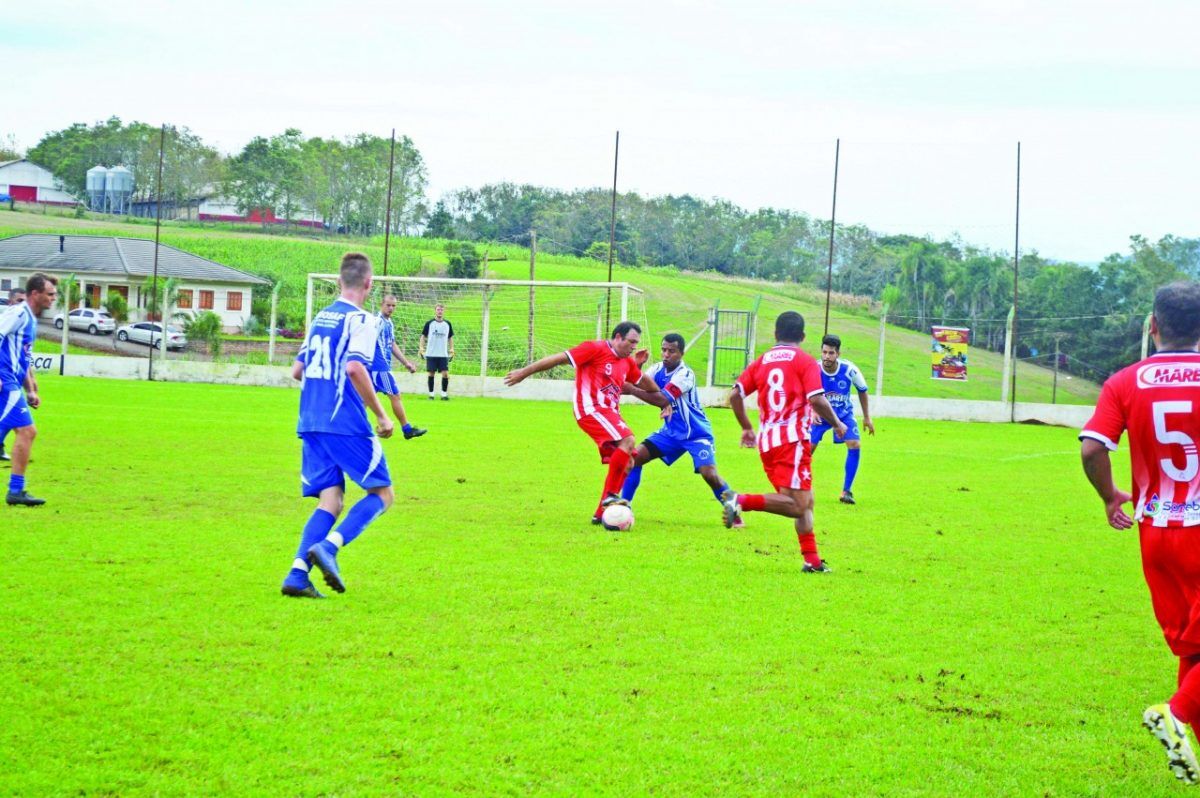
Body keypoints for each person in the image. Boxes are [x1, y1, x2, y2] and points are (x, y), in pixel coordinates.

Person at [1080, 281, 1200, 785]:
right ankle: (1175, 713)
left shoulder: (1126, 381)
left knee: (1193, 652)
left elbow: (1091, 448)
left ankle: (1184, 738)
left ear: (1153, 326)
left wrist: (1111, 497)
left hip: (1155, 533)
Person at [281, 252, 395, 599]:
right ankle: (330, 547)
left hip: (310, 419)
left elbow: (297, 371)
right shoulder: (362, 320)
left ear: (337, 282)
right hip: (341, 421)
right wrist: (381, 414)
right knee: (383, 494)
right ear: (369, 284)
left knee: (330, 499)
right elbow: (354, 368)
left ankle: (298, 575)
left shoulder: (320, 317)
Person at [504, 321, 672, 523]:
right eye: (631, 342)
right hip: (590, 409)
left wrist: (663, 401)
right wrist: (524, 372)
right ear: (618, 337)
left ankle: (602, 515)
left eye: (636, 343)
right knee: (628, 440)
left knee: (628, 462)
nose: (634, 347)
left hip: (610, 413)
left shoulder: (627, 362)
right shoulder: (594, 349)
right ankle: (611, 496)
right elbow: (559, 359)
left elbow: (644, 382)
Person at [721, 311, 847, 572]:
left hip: (768, 443)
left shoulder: (762, 360)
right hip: (792, 441)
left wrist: (746, 428)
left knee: (806, 502)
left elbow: (734, 396)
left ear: (776, 334)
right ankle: (740, 500)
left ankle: (812, 561)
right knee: (798, 505)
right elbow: (817, 399)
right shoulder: (804, 361)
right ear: (802, 336)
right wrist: (837, 423)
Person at [619, 333, 744, 527]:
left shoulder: (685, 375)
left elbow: (660, 398)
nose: (666, 354)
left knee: (709, 474)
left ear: (681, 353)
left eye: (672, 351)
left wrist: (640, 392)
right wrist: (637, 367)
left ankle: (734, 511)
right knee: (633, 459)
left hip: (696, 433)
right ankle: (624, 506)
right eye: (663, 349)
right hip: (670, 433)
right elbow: (631, 383)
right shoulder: (657, 369)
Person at [0, 275, 57, 506]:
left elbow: (21, 357)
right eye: (50, 293)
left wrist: (31, 388)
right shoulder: (19, 313)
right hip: (5, 381)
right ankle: (15, 490)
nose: (53, 298)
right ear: (35, 293)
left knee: (23, 431)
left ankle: (16, 490)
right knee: (27, 431)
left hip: (12, 381)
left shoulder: (30, 319)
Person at [809, 334, 875, 504]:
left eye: (831, 353)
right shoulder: (814, 369)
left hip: (844, 414)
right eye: (824, 352)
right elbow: (804, 391)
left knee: (855, 444)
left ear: (838, 353)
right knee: (807, 450)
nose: (826, 357)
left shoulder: (849, 370)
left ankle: (846, 491)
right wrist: (812, 410)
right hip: (821, 415)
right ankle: (798, 488)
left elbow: (862, 390)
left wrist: (867, 417)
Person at [373, 294, 427, 440]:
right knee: (395, 396)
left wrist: (406, 363)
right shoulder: (377, 322)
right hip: (379, 368)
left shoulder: (389, 323)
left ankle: (344, 428)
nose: (391, 308)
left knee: (362, 401)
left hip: (378, 368)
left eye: (393, 306)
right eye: (388, 305)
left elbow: (391, 344)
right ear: (381, 304)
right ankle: (407, 429)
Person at [0, 286, 26, 463]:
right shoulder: (9, 319)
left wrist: (31, 384)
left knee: (15, 419)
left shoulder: (23, 322)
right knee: (22, 423)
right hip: (4, 376)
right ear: (10, 302)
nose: (23, 305)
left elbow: (25, 355)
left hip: (13, 377)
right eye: (19, 300)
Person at [420, 303, 454, 400]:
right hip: (431, 353)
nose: (440, 311)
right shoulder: (429, 323)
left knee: (445, 374)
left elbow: (450, 337)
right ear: (435, 311)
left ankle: (444, 394)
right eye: (438, 309)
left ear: (444, 311)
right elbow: (423, 336)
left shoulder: (447, 324)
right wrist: (421, 348)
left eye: (441, 310)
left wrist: (451, 349)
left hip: (443, 354)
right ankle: (431, 395)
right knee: (431, 373)